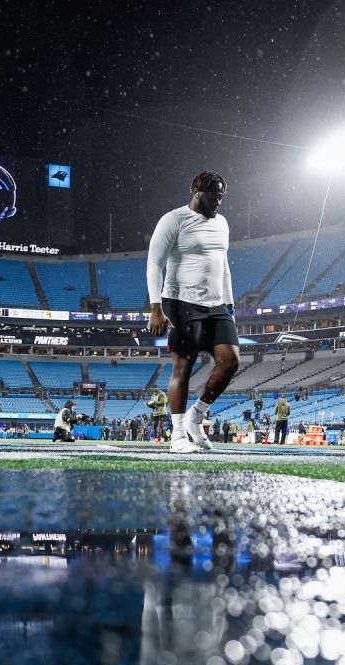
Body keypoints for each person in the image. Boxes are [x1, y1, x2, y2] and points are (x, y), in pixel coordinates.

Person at [146, 171, 238, 454]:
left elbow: (223, 266)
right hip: (180, 300)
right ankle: (176, 437)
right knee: (183, 366)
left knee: (230, 361)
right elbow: (154, 264)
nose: (219, 202)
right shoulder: (173, 220)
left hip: (217, 303)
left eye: (222, 196)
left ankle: (195, 416)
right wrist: (156, 309)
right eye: (214, 196)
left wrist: (231, 306)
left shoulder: (222, 223)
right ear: (197, 192)